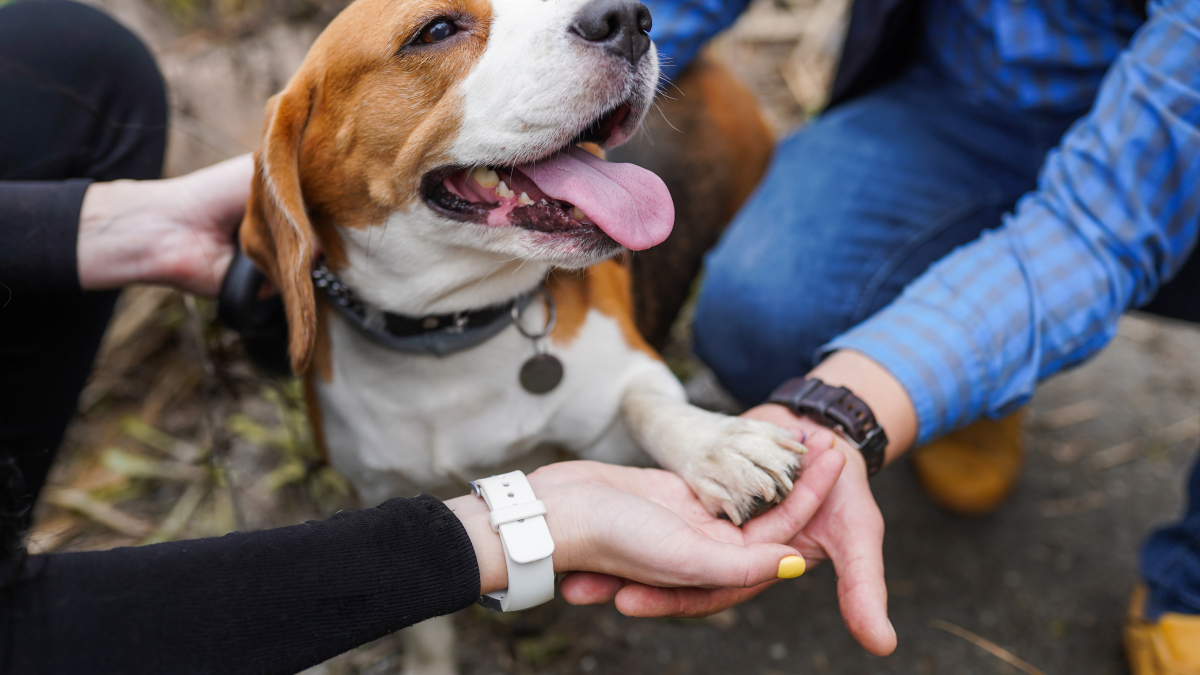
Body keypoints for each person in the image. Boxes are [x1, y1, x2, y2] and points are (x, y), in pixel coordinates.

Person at [0, 2, 851, 672]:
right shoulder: (302, 237)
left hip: (707, 162)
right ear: (308, 154)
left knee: (77, 57)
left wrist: (678, 428)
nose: (620, 19)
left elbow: (634, 387)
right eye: (440, 30)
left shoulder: (587, 240)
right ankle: (430, 650)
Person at [610, 0, 1200, 670]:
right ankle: (966, 384)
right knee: (761, 313)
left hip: (1175, 159)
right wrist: (573, 74)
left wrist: (841, 409)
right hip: (961, 109)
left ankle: (1191, 583)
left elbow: (1097, 230)